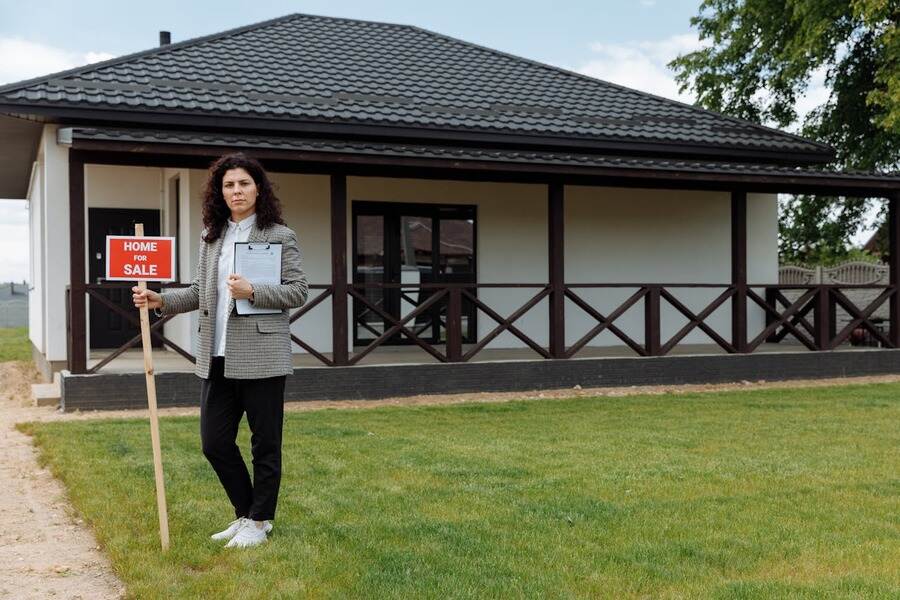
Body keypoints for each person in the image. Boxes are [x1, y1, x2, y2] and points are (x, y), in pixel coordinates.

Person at [132, 152, 308, 548]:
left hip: (263, 354)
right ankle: (247, 513)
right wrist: (161, 300)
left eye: (244, 183)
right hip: (216, 353)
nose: (236, 191)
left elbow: (298, 291)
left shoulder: (280, 235)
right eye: (229, 185)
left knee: (265, 444)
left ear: (258, 189)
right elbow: (200, 291)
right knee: (214, 443)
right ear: (220, 192)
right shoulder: (211, 237)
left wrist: (253, 291)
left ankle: (259, 522)